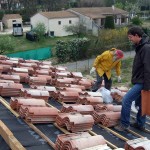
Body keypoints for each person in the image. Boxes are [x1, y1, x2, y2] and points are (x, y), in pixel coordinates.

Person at [115, 26, 150, 132]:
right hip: (141, 80)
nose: (129, 39)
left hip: (143, 81)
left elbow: (148, 68)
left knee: (126, 100)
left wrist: (147, 86)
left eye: (130, 37)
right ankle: (140, 124)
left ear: (136, 35)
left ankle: (124, 124)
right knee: (141, 103)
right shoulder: (141, 46)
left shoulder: (146, 48)